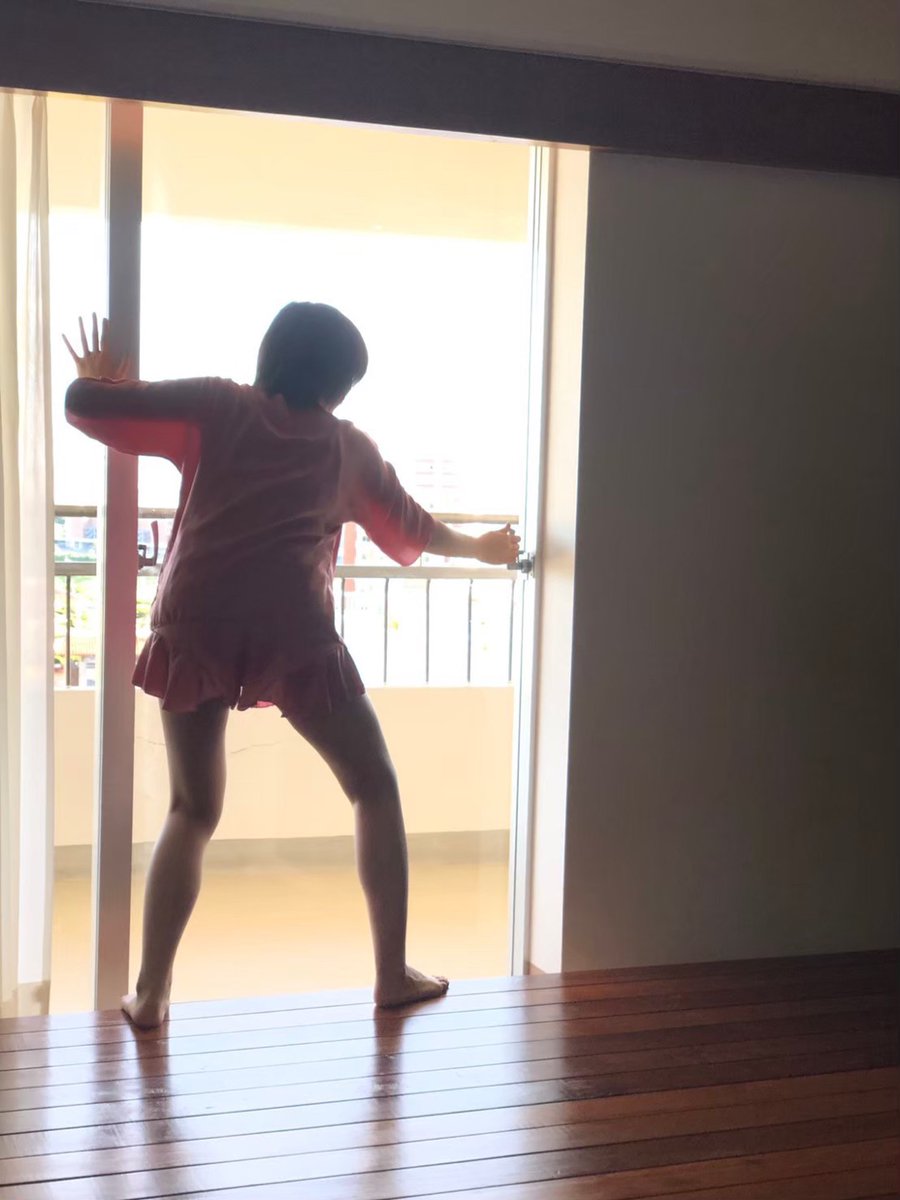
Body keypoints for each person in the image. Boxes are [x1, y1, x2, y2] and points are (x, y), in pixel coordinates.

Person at [64, 305, 520, 1029]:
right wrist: (483, 550)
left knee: (192, 809)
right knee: (374, 785)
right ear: (337, 383)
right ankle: (390, 974)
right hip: (294, 629)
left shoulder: (218, 405)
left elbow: (89, 408)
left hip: (197, 619)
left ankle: (150, 995)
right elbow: (413, 526)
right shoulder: (347, 448)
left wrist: (97, 380)